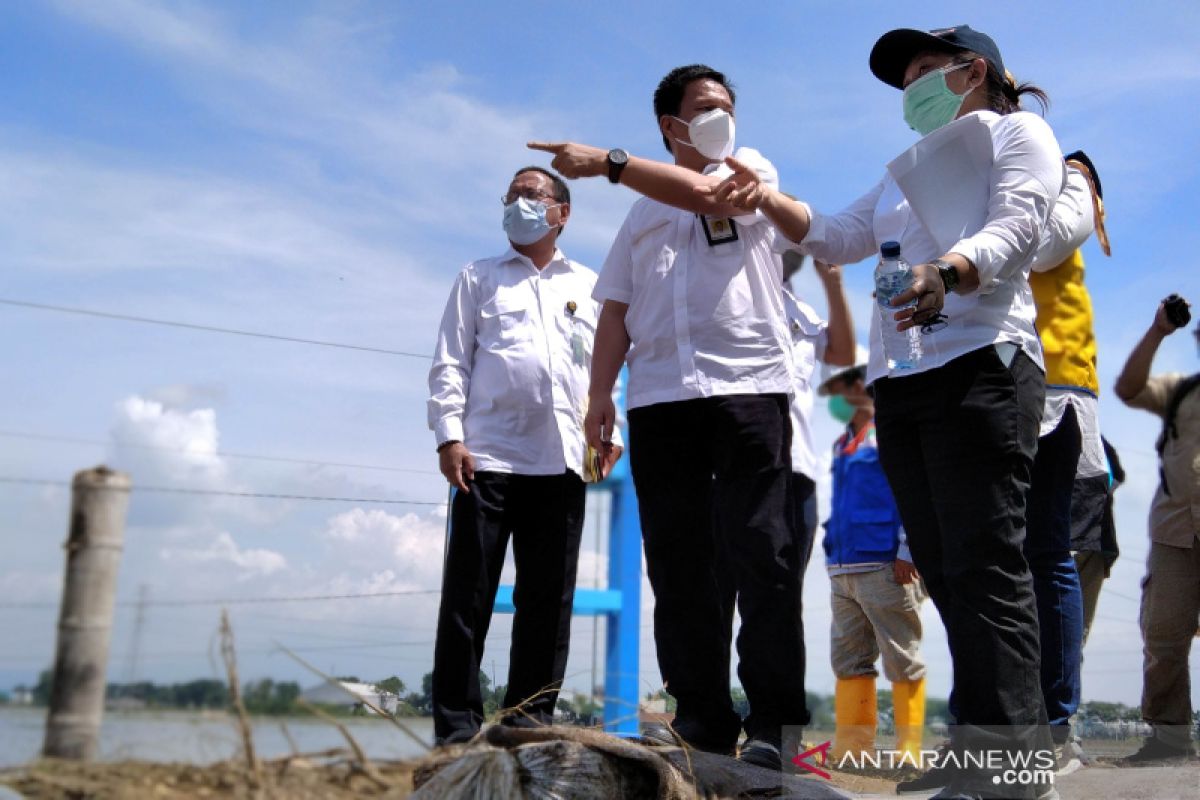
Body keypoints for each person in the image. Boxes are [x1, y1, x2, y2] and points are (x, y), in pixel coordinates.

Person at [705, 25, 1065, 797]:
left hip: (982, 366)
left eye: (926, 74)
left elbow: (1022, 222)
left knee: (986, 568)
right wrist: (766, 196)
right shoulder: (901, 175)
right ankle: (985, 754)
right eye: (904, 82)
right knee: (945, 570)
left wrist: (950, 269)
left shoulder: (1017, 131)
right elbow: (836, 237)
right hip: (904, 383)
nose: (912, 93)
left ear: (977, 71)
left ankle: (1015, 773)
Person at [527, 63, 808, 770]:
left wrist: (610, 162)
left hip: (747, 386)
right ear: (670, 125)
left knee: (761, 553)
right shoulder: (639, 216)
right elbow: (615, 310)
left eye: (727, 106)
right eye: (705, 108)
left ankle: (773, 721)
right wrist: (599, 401)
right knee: (679, 567)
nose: (722, 118)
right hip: (658, 399)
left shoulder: (750, 168)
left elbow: (712, 193)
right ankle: (703, 718)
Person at [426, 166, 622, 745]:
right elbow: (450, 362)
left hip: (563, 460)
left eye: (531, 195)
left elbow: (603, 371)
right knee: (468, 595)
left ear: (562, 212)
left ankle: (529, 722)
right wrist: (448, 436)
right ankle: (456, 731)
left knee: (548, 601)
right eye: (511, 196)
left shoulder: (591, 285)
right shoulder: (478, 277)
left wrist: (609, 435)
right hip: (484, 460)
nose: (518, 203)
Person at [818, 354, 926, 763]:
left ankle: (909, 749)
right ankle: (853, 749)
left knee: (902, 657)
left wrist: (906, 550)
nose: (840, 398)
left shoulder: (893, 436)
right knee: (849, 660)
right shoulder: (840, 443)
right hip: (842, 568)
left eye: (845, 388)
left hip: (885, 564)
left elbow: (911, 495)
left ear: (864, 387)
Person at [1114, 296, 1200, 763]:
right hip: (1175, 536)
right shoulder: (1180, 391)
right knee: (1163, 636)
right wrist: (1158, 332)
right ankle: (1169, 741)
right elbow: (1127, 389)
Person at [781, 252, 856, 572]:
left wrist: (833, 283)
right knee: (718, 593)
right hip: (735, 466)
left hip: (797, 466)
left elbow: (842, 353)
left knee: (783, 593)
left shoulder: (800, 308)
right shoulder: (726, 292)